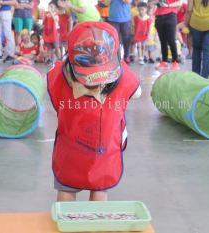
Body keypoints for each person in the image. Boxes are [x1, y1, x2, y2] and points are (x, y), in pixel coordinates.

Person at [47, 21, 140, 201]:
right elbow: (137, 93)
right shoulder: (124, 75)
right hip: (104, 153)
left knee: (66, 188)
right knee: (99, 188)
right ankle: (96, 226)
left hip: (70, 151)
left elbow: (51, 90)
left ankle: (67, 226)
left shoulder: (59, 74)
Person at [185, 0, 209, 78]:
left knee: (196, 49)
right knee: (208, 50)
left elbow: (189, 10)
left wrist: (186, 24)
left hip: (196, 23)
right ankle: (204, 78)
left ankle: (196, 77)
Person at [43, 0, 61, 65]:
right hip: (48, 34)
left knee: (56, 47)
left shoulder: (56, 15)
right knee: (49, 48)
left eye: (51, 7)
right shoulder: (47, 14)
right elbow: (43, 22)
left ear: (56, 9)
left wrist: (51, 13)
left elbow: (55, 19)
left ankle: (59, 59)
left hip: (54, 35)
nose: (50, 8)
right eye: (49, 6)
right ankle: (49, 59)